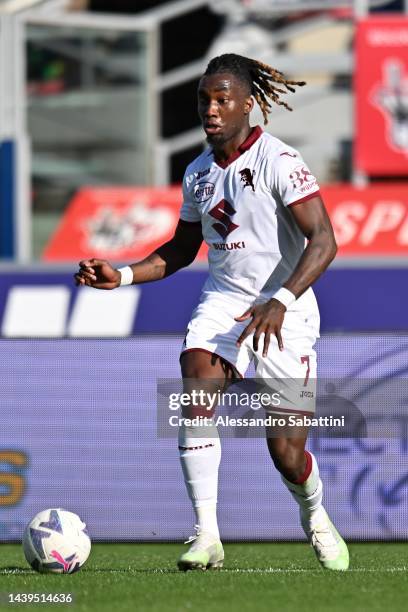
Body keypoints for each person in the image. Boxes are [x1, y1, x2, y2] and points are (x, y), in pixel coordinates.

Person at [75, 53, 349, 572]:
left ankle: (314, 514)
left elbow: (324, 240)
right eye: (205, 99)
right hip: (224, 301)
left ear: (248, 104)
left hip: (285, 310)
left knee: (287, 456)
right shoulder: (198, 172)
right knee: (196, 377)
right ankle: (207, 535)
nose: (212, 108)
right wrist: (124, 274)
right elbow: (181, 248)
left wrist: (282, 300)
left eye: (223, 99)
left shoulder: (280, 161)